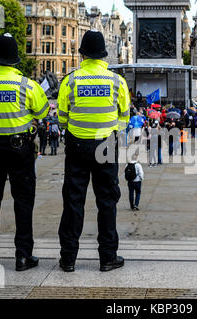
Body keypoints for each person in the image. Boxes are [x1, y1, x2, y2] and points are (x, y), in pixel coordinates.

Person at [0, 33, 49, 271]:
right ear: (16, 61)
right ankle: (23, 256)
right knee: (23, 202)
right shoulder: (27, 85)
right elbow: (43, 112)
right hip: (20, 148)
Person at [57, 30, 130, 273]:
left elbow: (62, 117)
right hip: (106, 145)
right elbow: (124, 115)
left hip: (77, 144)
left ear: (82, 54)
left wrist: (76, 130)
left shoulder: (71, 80)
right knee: (107, 201)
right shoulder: (116, 81)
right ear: (103, 55)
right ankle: (108, 257)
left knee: (73, 201)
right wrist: (112, 132)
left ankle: (68, 258)